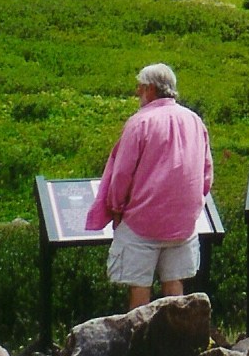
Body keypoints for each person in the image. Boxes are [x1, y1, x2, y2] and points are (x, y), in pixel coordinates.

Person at [85, 63, 214, 309]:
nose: (137, 92)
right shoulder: (195, 121)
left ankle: (140, 340)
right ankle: (173, 341)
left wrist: (116, 206)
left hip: (142, 222)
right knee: (174, 284)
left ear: (151, 89)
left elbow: (122, 174)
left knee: (139, 285)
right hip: (183, 223)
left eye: (140, 87)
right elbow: (206, 174)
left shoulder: (139, 122)